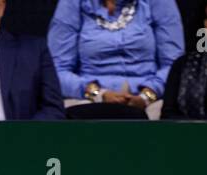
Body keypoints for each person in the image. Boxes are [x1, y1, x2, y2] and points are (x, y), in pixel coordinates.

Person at [48, 0, 184, 119]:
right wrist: (98, 94)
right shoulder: (72, 3)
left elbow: (174, 65)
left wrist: (146, 96)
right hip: (87, 97)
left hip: (150, 99)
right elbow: (56, 70)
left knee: (167, 120)